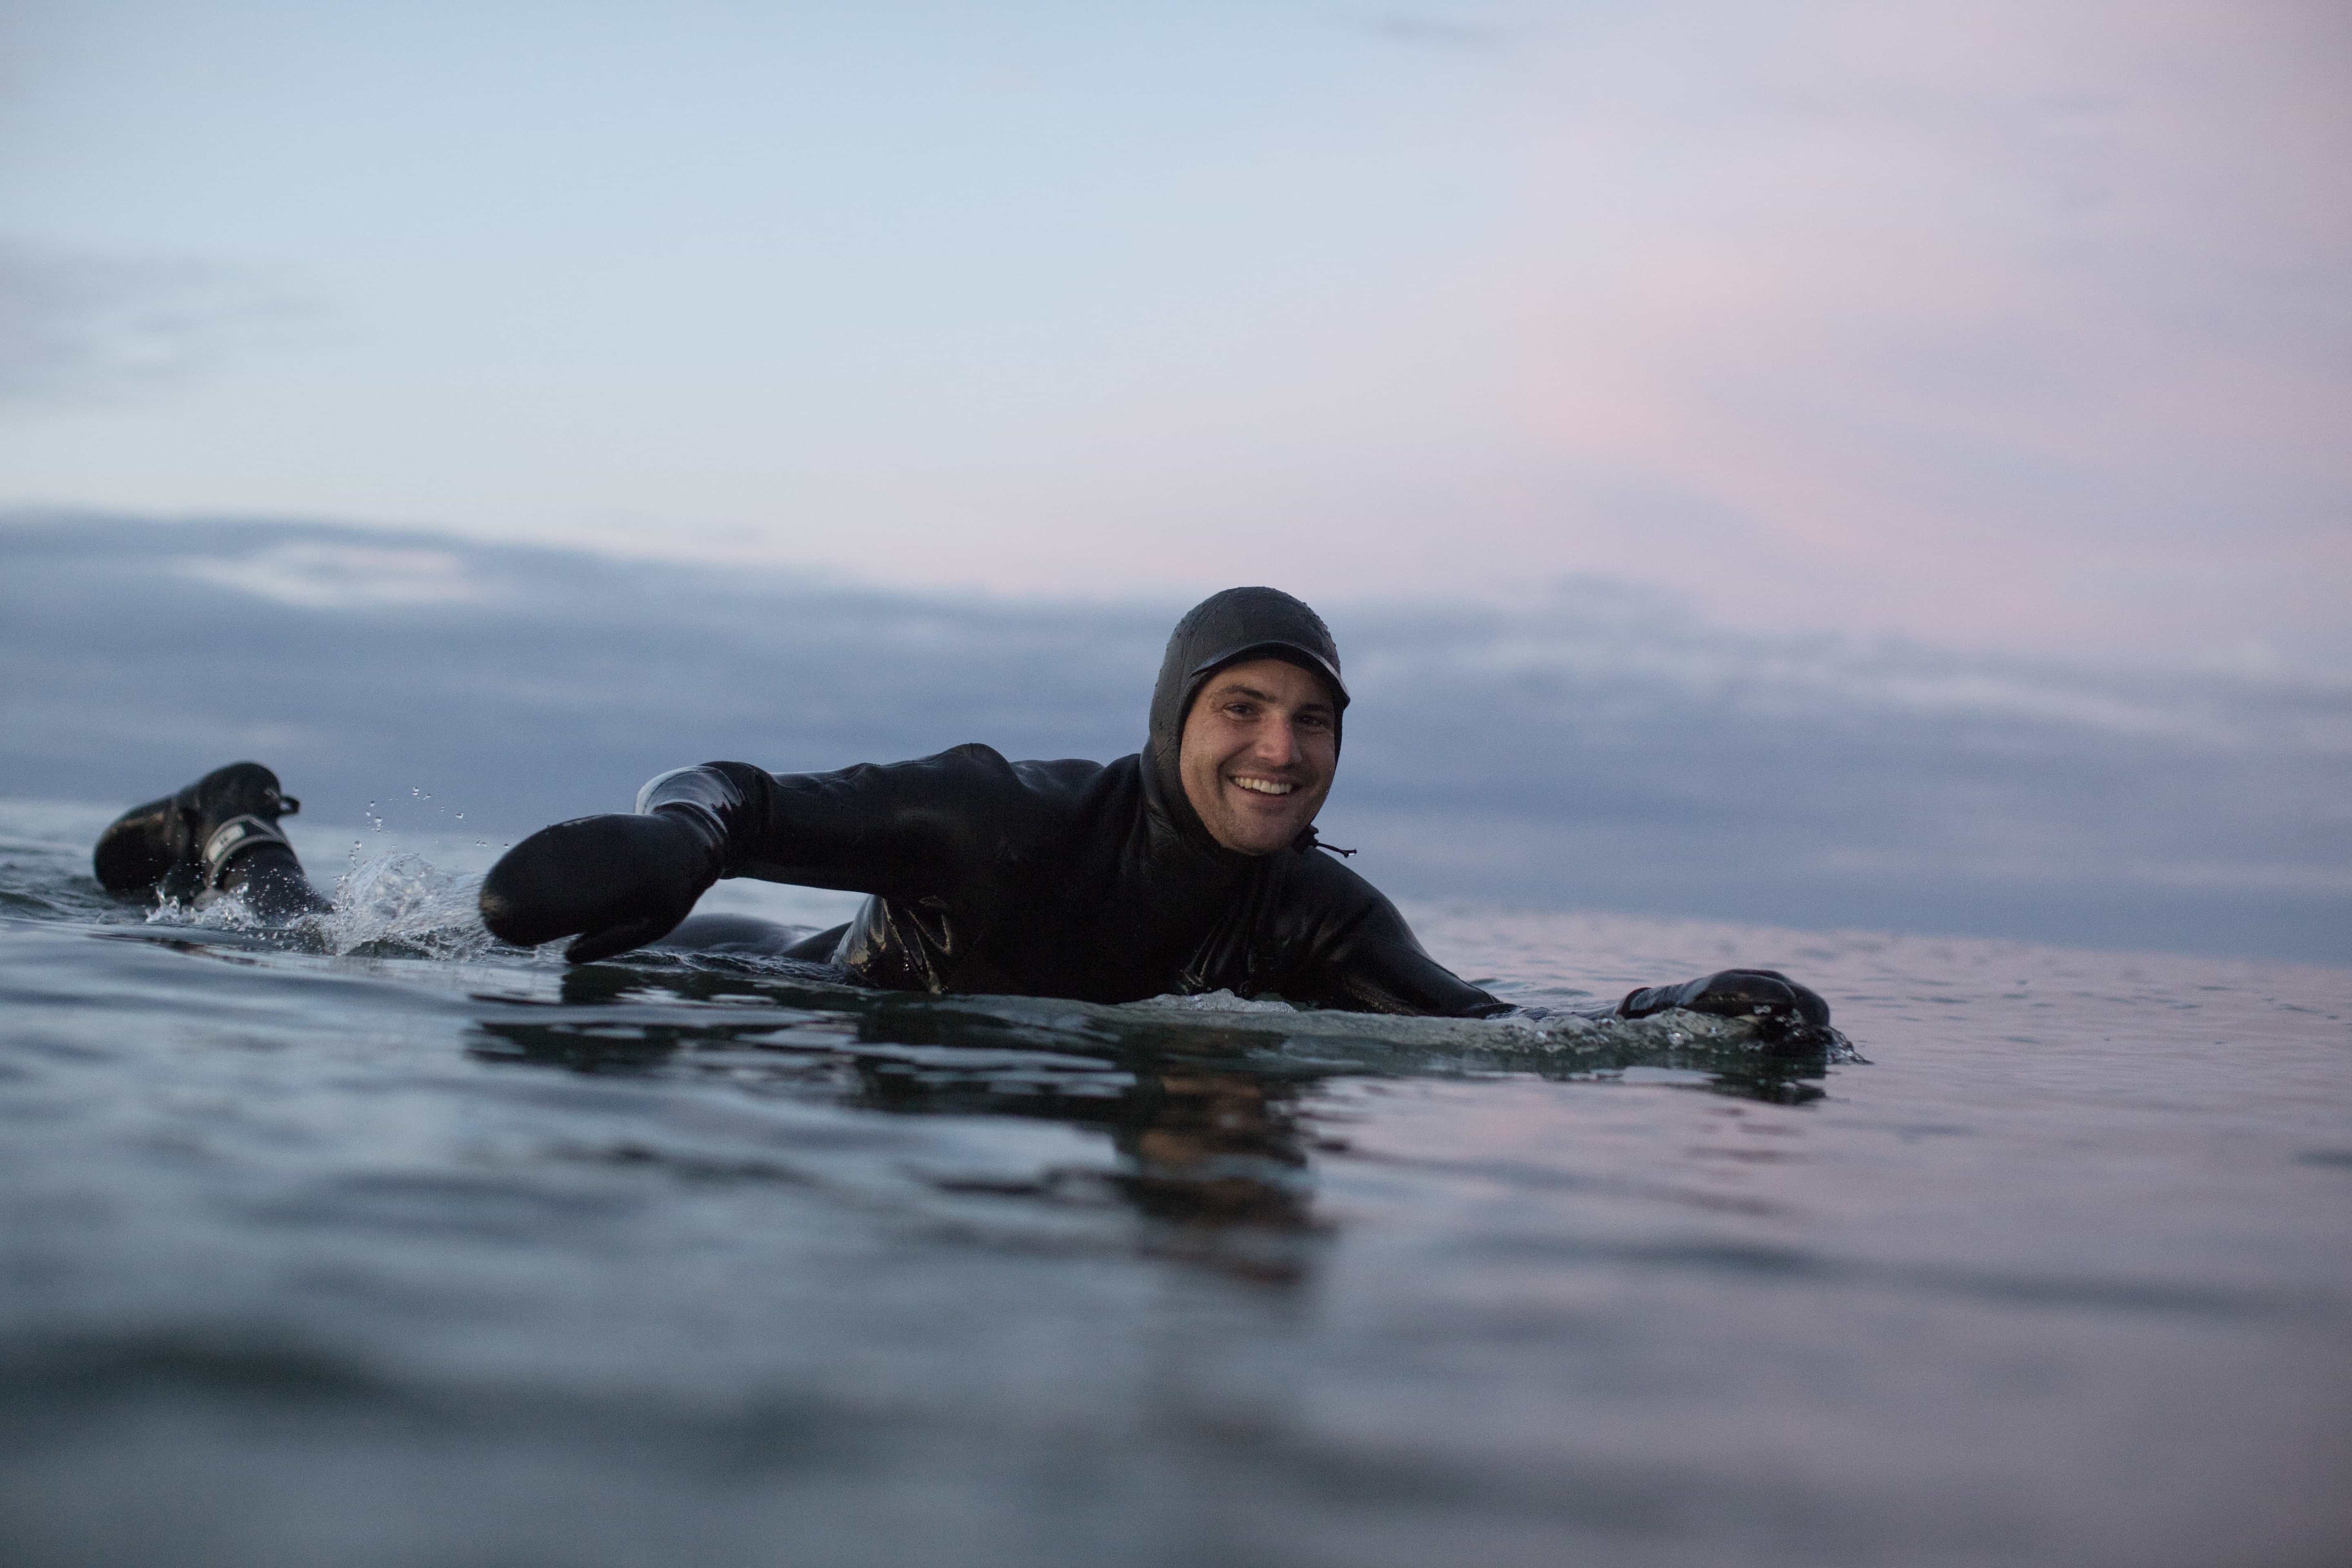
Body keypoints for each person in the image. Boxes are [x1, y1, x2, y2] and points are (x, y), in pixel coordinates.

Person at [94, 587, 1827, 1029]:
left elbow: (1481, 1032)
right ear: (1174, 725)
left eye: (1313, 724)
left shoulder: (1312, 912)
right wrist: (691, 845)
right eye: (1243, 713)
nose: (1282, 755)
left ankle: (238, 838)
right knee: (345, 958)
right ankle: (239, 843)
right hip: (773, 995)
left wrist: (1671, 1015)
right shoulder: (1000, 817)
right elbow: (734, 789)